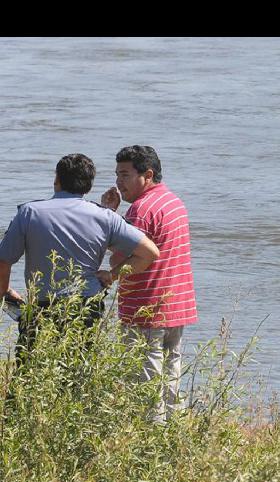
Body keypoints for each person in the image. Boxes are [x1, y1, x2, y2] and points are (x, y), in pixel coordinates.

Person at [0, 153, 159, 367]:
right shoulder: (105, 217)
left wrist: (5, 294)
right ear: (88, 186)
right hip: (85, 309)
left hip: (42, 309)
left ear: (57, 180)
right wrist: (112, 276)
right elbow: (149, 253)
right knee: (76, 376)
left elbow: (3, 261)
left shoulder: (29, 213)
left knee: (30, 374)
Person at [101, 145, 197, 423]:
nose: (119, 182)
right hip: (176, 303)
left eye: (125, 175)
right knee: (170, 372)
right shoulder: (173, 201)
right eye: (117, 175)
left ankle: (149, 437)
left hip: (146, 306)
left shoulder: (141, 210)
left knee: (144, 376)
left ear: (148, 175)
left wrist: (107, 216)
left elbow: (124, 253)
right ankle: (172, 430)